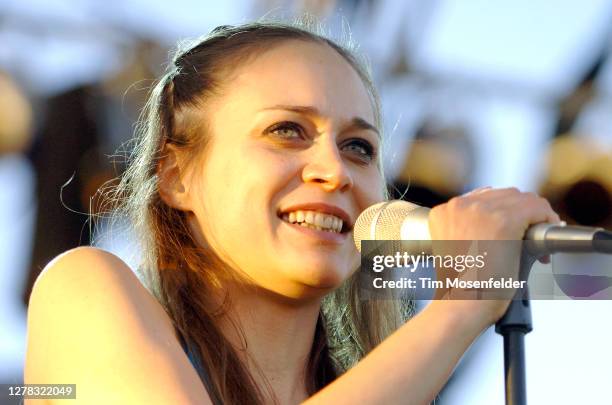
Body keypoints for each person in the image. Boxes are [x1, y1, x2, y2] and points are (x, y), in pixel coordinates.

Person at [24, 21, 561, 405]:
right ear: (176, 176)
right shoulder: (83, 291)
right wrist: (460, 309)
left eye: (359, 147)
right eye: (287, 131)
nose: (334, 170)